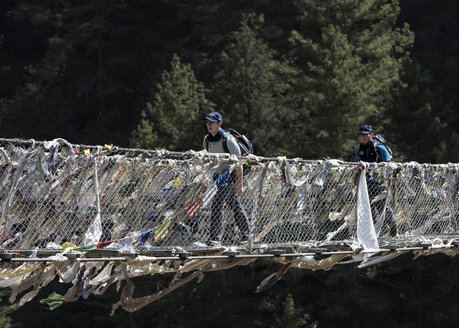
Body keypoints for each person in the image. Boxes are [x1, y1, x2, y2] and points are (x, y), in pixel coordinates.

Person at [203, 112, 249, 245]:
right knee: (233, 203)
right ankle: (247, 234)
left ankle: (215, 239)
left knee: (217, 202)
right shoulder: (207, 140)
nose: (209, 125)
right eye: (207, 122)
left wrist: (240, 184)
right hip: (219, 175)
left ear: (219, 124)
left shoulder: (227, 139)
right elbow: (209, 162)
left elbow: (239, 162)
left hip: (232, 174)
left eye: (212, 122)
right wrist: (204, 179)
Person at [355, 125, 397, 236]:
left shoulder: (380, 148)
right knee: (367, 207)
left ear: (371, 135)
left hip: (379, 182)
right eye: (361, 135)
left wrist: (388, 181)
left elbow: (389, 165)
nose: (363, 137)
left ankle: (392, 225)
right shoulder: (359, 150)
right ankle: (371, 232)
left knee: (382, 205)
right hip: (365, 182)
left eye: (366, 134)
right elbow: (356, 164)